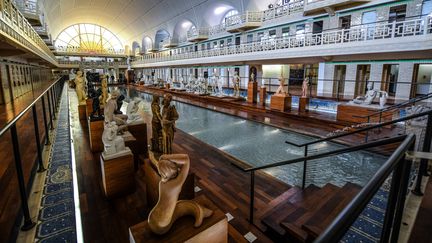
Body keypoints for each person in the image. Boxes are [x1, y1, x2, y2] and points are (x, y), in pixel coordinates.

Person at [148, 154, 213, 235]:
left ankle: (202, 211)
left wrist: (162, 161)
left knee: (182, 205)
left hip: (152, 218)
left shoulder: (162, 183)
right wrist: (167, 157)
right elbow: (186, 159)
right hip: (163, 226)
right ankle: (202, 212)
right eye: (173, 166)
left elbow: (162, 165)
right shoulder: (176, 184)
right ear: (173, 171)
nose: (177, 168)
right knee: (192, 207)